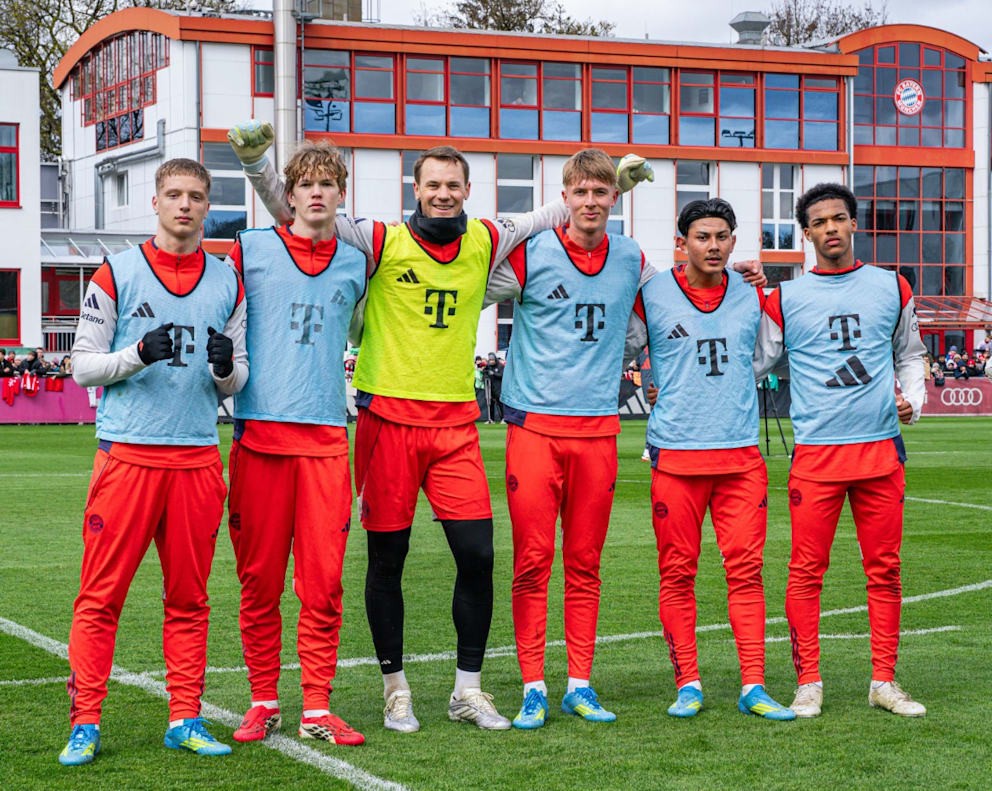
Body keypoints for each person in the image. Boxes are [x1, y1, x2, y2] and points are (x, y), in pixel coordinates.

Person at [227, 121, 653, 732]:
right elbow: (297, 211)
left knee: (477, 556)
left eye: (453, 184)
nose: (443, 193)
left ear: (467, 189)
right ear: (417, 188)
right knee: (388, 560)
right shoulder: (381, 240)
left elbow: (557, 211)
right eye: (433, 184)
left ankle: (467, 691)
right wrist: (256, 166)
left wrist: (619, 186)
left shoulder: (486, 239)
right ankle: (395, 689)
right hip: (387, 419)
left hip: (455, 424)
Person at [488, 156, 764, 730]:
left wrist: (741, 274)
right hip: (534, 425)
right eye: (581, 191)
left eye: (601, 191)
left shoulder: (632, 259)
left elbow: (678, 294)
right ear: (565, 195)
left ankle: (579, 685)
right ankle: (533, 687)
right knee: (533, 562)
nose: (591, 201)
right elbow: (471, 280)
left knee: (585, 563)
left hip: (598, 429)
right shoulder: (531, 253)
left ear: (616, 197)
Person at [60, 158, 248, 766]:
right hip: (128, 457)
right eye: (174, 194)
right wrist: (138, 354)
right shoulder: (117, 272)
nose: (184, 205)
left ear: (207, 205)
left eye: (195, 196)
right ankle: (85, 722)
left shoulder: (227, 281)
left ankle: (185, 717)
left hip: (196, 460)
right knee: (100, 598)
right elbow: (82, 366)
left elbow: (238, 378)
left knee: (189, 600)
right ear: (156, 201)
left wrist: (225, 369)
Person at [755, 182, 927, 718]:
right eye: (819, 222)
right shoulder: (785, 298)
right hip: (817, 455)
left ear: (854, 223)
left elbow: (910, 355)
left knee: (885, 570)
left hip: (880, 451)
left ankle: (884, 681)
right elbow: (753, 364)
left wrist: (913, 400)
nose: (830, 228)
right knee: (806, 571)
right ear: (805, 234)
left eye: (838, 218)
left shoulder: (892, 286)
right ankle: (808, 681)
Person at [225, 141, 366, 746]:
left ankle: (316, 707)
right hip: (259, 437)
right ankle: (263, 700)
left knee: (323, 584)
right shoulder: (250, 248)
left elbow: (364, 331)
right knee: (259, 582)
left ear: (340, 194)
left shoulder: (357, 264)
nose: (316, 192)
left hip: (326, 441)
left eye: (326, 184)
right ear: (289, 193)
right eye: (305, 183)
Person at [632, 198, 794, 721]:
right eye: (702, 236)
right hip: (676, 457)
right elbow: (625, 347)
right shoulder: (652, 293)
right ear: (681, 243)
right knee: (677, 574)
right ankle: (688, 684)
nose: (714, 245)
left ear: (733, 241)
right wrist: (652, 380)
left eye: (722, 236)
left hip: (740, 457)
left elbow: (765, 357)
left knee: (746, 572)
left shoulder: (752, 293)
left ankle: (754, 685)